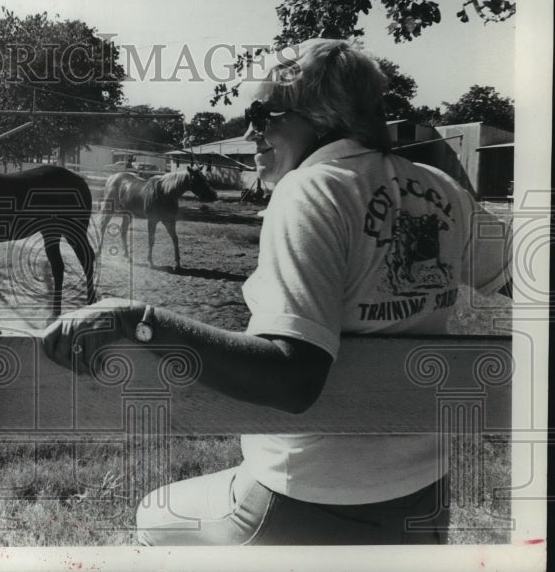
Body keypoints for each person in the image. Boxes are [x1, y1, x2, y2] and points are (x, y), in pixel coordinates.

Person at [41, 38, 512, 545]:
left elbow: (293, 378)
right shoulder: (440, 188)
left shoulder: (312, 187)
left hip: (308, 493)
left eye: (262, 114)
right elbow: (519, 275)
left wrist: (138, 317)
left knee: (154, 513)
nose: (249, 132)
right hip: (423, 497)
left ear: (321, 116)